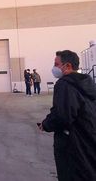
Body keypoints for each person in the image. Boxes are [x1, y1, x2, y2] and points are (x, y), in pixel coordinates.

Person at [38, 50, 96, 181]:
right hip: (87, 139)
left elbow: (62, 116)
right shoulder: (87, 83)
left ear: (67, 66)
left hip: (72, 144)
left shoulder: (65, 84)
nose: (54, 68)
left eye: (56, 64)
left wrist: (46, 124)